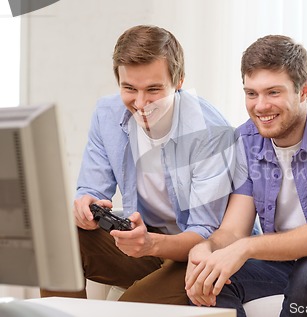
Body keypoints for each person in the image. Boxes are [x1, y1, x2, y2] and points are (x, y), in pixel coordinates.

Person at [41, 25, 236, 304]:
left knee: (129, 306)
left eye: (154, 90)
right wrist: (84, 206)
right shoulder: (106, 114)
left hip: (198, 256)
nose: (141, 103)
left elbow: (206, 234)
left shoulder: (210, 133)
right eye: (129, 88)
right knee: (58, 235)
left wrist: (150, 244)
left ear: (179, 81)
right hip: (146, 246)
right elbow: (91, 189)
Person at [185, 34, 307, 317]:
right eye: (252, 94)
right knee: (210, 277)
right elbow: (233, 230)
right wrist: (207, 248)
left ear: (304, 90)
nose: (260, 106)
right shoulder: (246, 139)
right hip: (283, 261)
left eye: (273, 92)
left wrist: (247, 247)